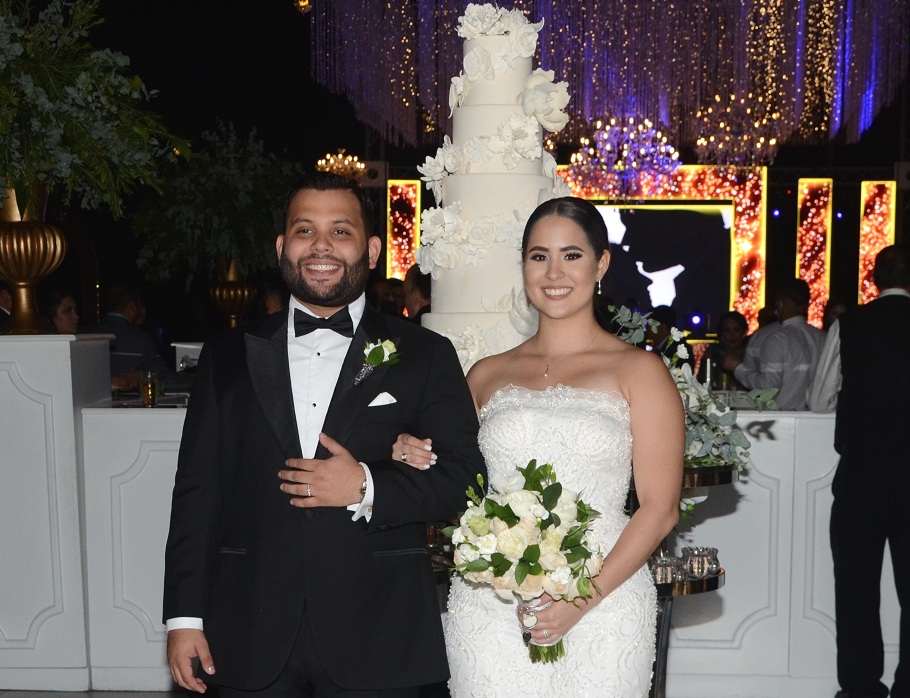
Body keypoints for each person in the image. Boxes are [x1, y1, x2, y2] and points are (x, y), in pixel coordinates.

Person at [163, 172, 484, 697]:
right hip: (249, 628)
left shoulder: (424, 353)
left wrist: (366, 486)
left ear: (372, 249)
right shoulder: (227, 356)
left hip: (381, 630)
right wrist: (183, 618)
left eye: (341, 231)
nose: (321, 246)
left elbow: (464, 480)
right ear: (281, 246)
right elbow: (198, 494)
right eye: (304, 230)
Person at [393, 196, 684, 696]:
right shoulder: (486, 374)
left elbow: (659, 510)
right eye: (538, 255)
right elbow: (448, 475)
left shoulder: (640, 371)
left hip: (605, 598)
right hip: (492, 602)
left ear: (601, 264)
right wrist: (407, 451)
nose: (554, 272)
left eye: (571, 255)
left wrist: (582, 600)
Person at [807, 244, 910, 698]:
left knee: (856, 587)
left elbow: (819, 398)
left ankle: (862, 686)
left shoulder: (851, 324)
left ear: (874, 279)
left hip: (863, 473)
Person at [724, 278, 824, 410]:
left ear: (780, 304)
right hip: (815, 419)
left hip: (782, 419)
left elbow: (768, 387)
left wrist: (737, 367)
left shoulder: (777, 339)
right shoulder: (823, 337)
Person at [704, 310, 749, 390]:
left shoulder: (751, 354)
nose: (732, 335)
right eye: (727, 330)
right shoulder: (713, 352)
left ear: (743, 332)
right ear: (721, 333)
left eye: (736, 330)